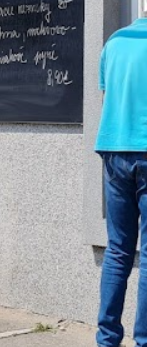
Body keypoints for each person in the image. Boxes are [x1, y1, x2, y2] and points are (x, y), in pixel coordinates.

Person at [96, 18, 147, 347]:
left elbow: (106, 98)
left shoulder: (114, 42)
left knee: (117, 250)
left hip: (114, 150)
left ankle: (107, 339)